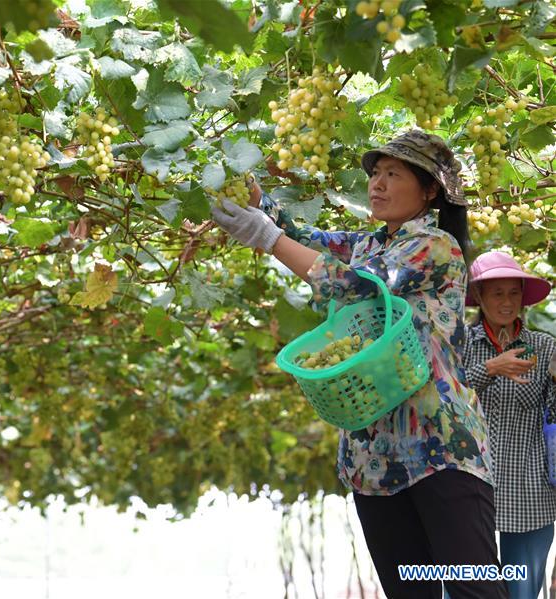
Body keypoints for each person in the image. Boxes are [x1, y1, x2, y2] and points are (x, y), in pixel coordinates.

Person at [212, 130, 507, 598]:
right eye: (375, 174)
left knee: (477, 591)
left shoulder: (435, 246)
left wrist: (267, 239)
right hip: (374, 460)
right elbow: (309, 239)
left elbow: (358, 284)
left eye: (394, 174)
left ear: (430, 191)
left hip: (440, 447)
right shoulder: (370, 244)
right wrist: (259, 202)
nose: (377, 184)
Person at [464, 251, 556, 598]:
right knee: (466, 591)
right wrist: (491, 368)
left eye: (514, 293)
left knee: (522, 593)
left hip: (529, 493)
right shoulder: (459, 344)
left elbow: (553, 415)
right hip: (469, 491)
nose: (507, 302)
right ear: (479, 297)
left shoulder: (544, 347)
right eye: (497, 293)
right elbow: (442, 399)